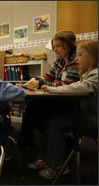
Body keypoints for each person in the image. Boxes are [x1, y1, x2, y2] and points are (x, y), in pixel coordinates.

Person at [27, 40, 98, 179]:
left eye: (81, 55)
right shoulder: (87, 74)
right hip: (87, 115)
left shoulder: (96, 74)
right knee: (53, 118)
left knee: (56, 122)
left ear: (93, 56)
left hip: (94, 119)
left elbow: (79, 87)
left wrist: (53, 89)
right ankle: (45, 158)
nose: (77, 59)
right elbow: (77, 84)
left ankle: (57, 166)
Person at [17, 30, 80, 150]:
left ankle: (28, 144)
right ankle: (28, 144)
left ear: (68, 45)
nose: (54, 49)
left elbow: (66, 85)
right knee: (31, 106)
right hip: (57, 99)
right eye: (54, 46)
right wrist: (35, 79)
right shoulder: (59, 61)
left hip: (70, 102)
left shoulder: (76, 61)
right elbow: (48, 77)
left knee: (33, 109)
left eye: (58, 46)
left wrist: (40, 82)